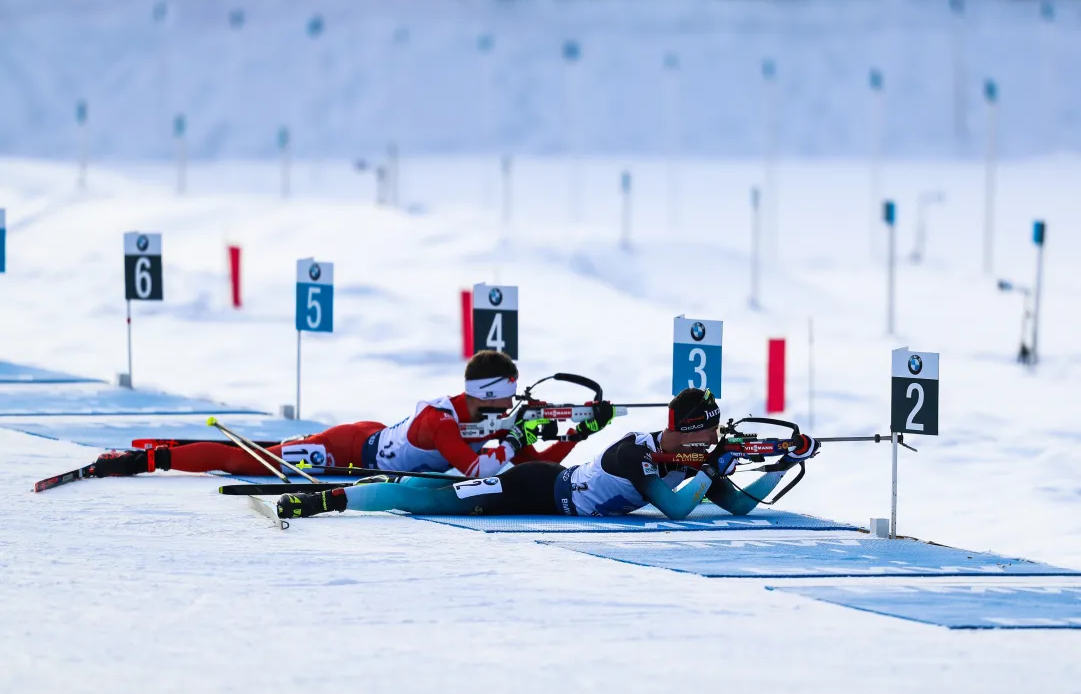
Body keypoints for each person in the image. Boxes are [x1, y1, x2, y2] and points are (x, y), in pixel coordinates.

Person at [276, 387, 820, 521]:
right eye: (701, 438)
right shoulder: (638, 451)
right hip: (534, 487)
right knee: (427, 499)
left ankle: (347, 494)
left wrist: (780, 464)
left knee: (429, 497)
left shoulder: (691, 458)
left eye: (711, 438)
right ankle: (333, 499)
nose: (707, 444)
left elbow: (741, 507)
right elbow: (677, 509)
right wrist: (710, 468)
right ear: (680, 431)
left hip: (555, 485)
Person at [90, 351, 613, 480]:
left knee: (256, 454)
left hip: (369, 438)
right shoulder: (444, 421)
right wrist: (512, 441)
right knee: (254, 463)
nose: (513, 405)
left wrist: (577, 434)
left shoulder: (488, 418)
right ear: (488, 393)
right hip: (347, 448)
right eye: (508, 396)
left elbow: (527, 458)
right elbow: (476, 470)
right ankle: (151, 459)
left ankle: (163, 447)